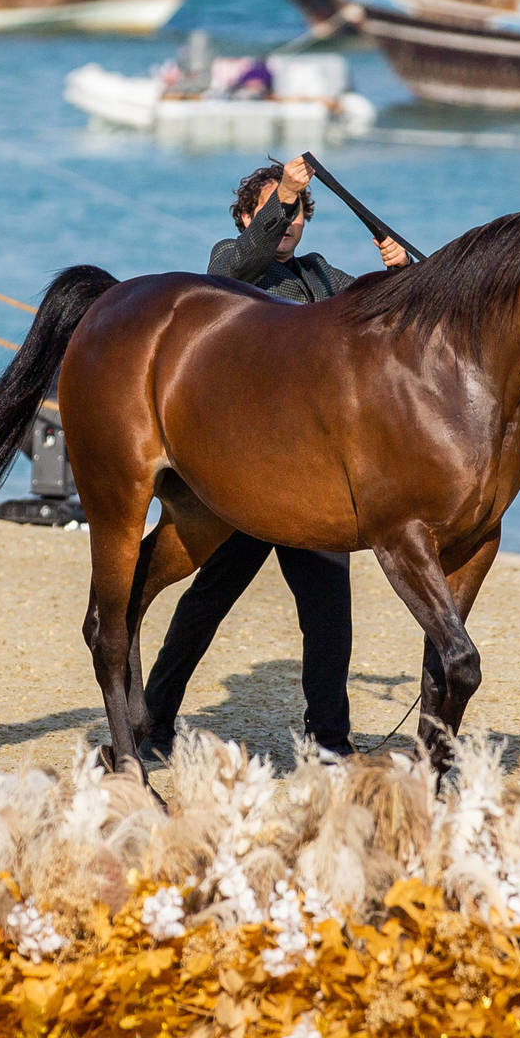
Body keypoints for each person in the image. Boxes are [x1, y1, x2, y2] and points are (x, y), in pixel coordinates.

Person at [140, 156, 408, 762]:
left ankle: (329, 745)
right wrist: (283, 194)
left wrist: (399, 275)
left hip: (310, 480)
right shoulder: (228, 268)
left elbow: (375, 319)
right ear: (245, 217)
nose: (289, 223)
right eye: (273, 213)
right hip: (238, 478)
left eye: (296, 215)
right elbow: (245, 261)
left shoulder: (321, 274)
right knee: (206, 602)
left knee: (329, 617)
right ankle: (153, 726)